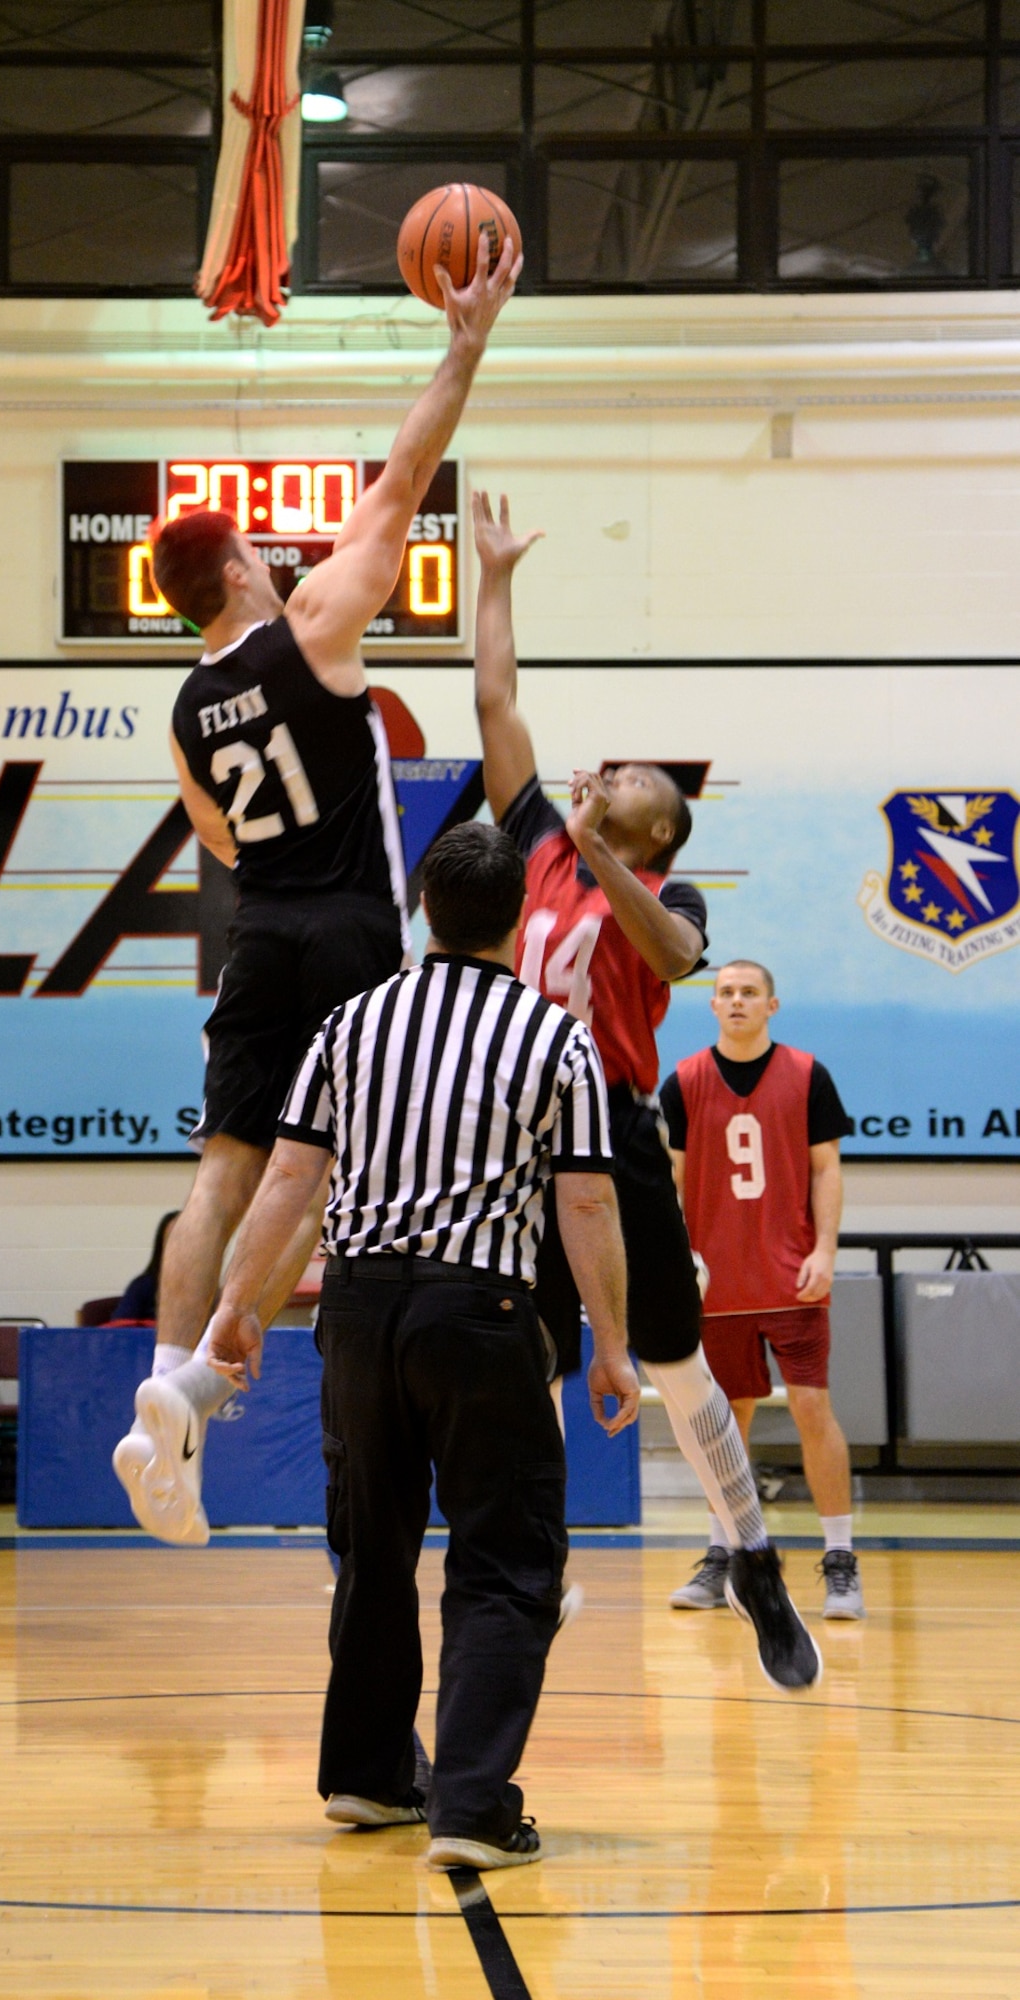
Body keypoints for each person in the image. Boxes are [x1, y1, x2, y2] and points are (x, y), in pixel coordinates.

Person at [113, 228, 523, 1544]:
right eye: (260, 556)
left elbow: (219, 846)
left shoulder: (184, 711)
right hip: (349, 927)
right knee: (330, 1171)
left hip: (258, 934)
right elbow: (403, 483)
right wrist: (464, 348)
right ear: (239, 573)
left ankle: (157, 1399)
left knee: (218, 1171)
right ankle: (216, 1378)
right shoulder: (315, 631)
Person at [205, 822, 639, 1871]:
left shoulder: (350, 1022)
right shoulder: (554, 1036)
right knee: (506, 1556)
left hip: (352, 1314)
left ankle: (368, 1773)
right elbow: (584, 1198)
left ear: (425, 914)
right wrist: (614, 1345)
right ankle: (472, 1805)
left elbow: (287, 1183)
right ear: (512, 923)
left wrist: (239, 1305)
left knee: (371, 1548)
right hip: (478, 1312)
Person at [470, 493, 820, 1691]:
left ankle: (754, 1557)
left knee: (676, 1362)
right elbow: (496, 702)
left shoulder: (664, 888)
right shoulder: (542, 846)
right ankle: (537, 1556)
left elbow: (675, 957)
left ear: (654, 821)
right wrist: (499, 576)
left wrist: (599, 846)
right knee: (527, 1357)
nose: (604, 765)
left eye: (628, 773)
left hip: (612, 1132)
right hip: (517, 1133)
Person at [661, 960, 863, 1619]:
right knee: (726, 1422)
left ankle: (840, 1561)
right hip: (717, 1286)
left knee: (811, 1408)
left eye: (750, 992)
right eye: (726, 993)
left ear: (772, 1004)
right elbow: (670, 1183)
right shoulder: (685, 1082)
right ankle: (729, 1553)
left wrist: (826, 1249)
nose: (738, 1001)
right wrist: (673, 1261)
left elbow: (826, 1170)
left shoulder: (807, 1075)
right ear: (712, 1006)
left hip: (790, 1277)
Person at [111, 1210, 180, 1323]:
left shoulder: (206, 1286)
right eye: (173, 1239)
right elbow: (121, 1329)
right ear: (162, 1246)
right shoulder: (143, 1286)